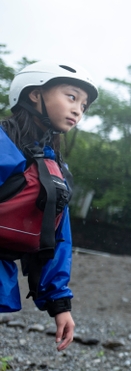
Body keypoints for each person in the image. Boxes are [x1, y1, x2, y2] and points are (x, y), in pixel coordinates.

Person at [0, 60, 99, 351]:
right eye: (71, 97)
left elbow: (57, 239)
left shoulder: (55, 169)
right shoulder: (4, 145)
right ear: (34, 94)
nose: (78, 110)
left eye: (83, 105)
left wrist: (59, 304)